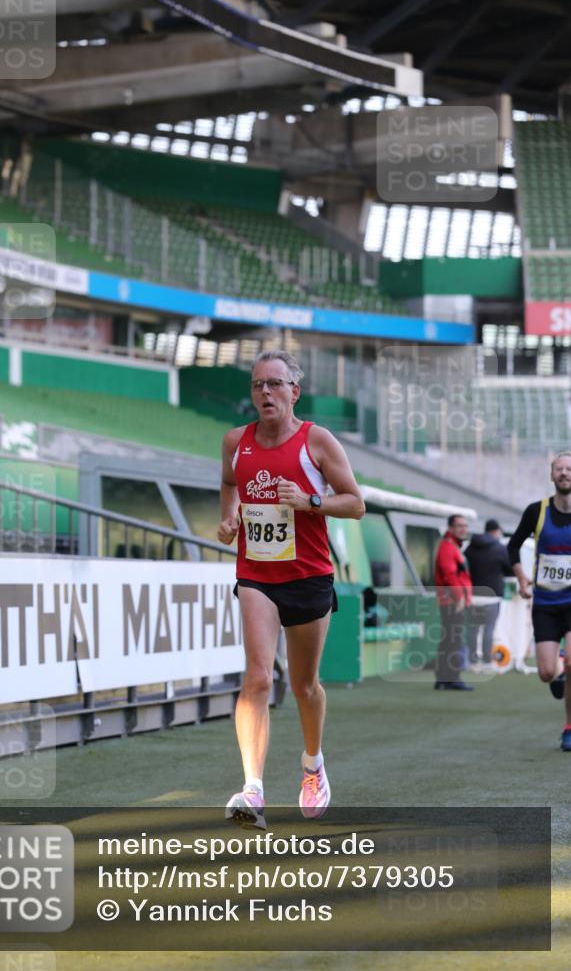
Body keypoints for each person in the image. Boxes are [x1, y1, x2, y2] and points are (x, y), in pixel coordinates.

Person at [217, 350, 365, 828]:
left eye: (275, 384)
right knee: (258, 677)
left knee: (304, 686)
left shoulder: (316, 441)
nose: (266, 392)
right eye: (258, 384)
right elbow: (229, 484)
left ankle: (313, 764)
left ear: (294, 392)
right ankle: (252, 789)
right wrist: (229, 517)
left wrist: (310, 500)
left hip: (308, 576)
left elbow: (356, 504)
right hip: (256, 574)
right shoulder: (235, 442)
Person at [507, 451, 571, 752]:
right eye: (559, 469)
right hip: (545, 603)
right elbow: (513, 546)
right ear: (551, 475)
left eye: (569, 468)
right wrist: (521, 576)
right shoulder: (536, 511)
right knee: (547, 672)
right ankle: (559, 674)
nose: (564, 473)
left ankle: (569, 727)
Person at [464, 518, 513, 672]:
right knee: (488, 629)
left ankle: (472, 662)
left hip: (472, 595)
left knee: (473, 630)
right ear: (497, 531)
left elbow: (463, 568)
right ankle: (486, 662)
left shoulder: (469, 548)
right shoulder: (500, 548)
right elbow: (510, 570)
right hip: (492, 596)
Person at [433, 514, 473, 690]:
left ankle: (443, 679)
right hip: (452, 601)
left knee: (449, 639)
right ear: (450, 528)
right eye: (459, 526)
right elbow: (449, 575)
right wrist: (460, 597)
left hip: (451, 600)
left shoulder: (451, 546)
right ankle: (452, 679)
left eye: (465, 526)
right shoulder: (448, 547)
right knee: (454, 641)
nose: (463, 529)